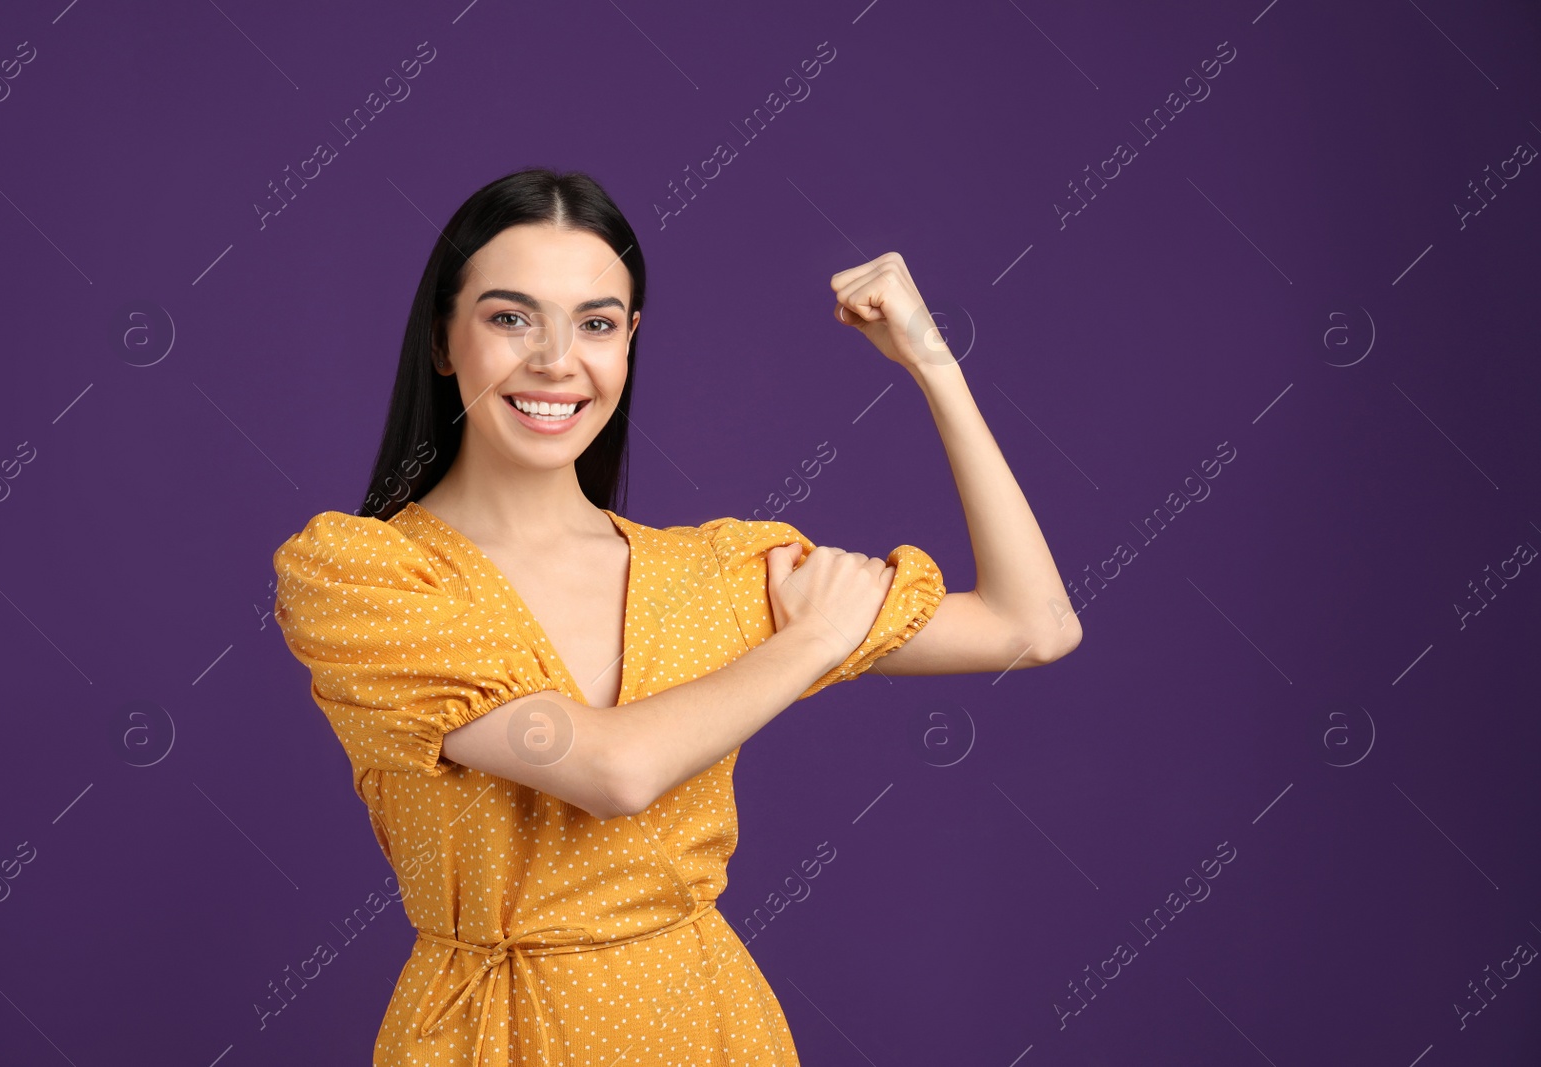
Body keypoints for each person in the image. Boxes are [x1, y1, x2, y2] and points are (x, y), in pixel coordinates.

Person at [271, 167, 1080, 1065]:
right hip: (488, 1036)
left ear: (629, 343)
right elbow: (616, 771)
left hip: (710, 1028)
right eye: (510, 318)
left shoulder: (713, 572)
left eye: (597, 323)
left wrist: (935, 364)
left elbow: (1032, 623)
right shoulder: (363, 574)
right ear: (442, 340)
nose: (554, 359)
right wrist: (809, 642)